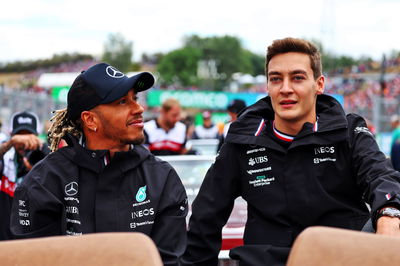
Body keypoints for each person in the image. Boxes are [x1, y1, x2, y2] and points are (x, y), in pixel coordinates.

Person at [181, 37, 400, 265]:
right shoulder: (241, 142)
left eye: (297, 78)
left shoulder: (349, 132)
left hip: (339, 258)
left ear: (319, 84)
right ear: (267, 86)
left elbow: (380, 176)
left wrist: (389, 213)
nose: (286, 89)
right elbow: (205, 216)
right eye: (276, 79)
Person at [10, 63, 188, 265]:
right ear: (90, 120)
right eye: (122, 102)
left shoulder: (162, 179)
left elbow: (169, 260)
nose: (139, 108)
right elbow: (33, 259)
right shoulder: (44, 182)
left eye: (135, 99)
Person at [0, 111, 49, 240]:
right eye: (19, 136)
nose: (23, 142)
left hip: (31, 240)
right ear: (11, 135)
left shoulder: (44, 160)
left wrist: (38, 166)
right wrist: (9, 144)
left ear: (37, 137)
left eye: (28, 136)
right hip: (4, 239)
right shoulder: (5, 159)